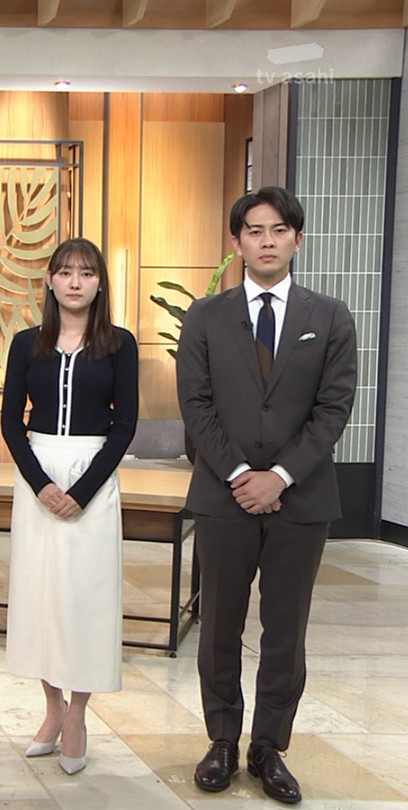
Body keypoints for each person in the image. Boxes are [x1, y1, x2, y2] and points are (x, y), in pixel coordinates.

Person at [179, 186, 356, 805]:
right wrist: (240, 474)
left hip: (301, 501)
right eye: (254, 231)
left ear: (297, 240)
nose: (267, 241)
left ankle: (268, 747)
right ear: (237, 243)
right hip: (223, 496)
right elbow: (196, 406)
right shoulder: (205, 316)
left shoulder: (329, 316)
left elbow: (334, 409)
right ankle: (222, 741)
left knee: (286, 629)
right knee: (219, 625)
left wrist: (279, 476)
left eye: (279, 230)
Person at [0, 237, 138, 776]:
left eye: (86, 273)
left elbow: (125, 425)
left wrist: (81, 492)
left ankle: (78, 713)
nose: (75, 282)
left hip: (93, 477)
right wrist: (41, 485)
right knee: (40, 595)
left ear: (99, 283)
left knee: (85, 598)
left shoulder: (120, 345)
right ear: (50, 281)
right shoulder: (26, 344)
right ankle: (52, 708)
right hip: (38, 474)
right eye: (65, 272)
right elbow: (11, 422)